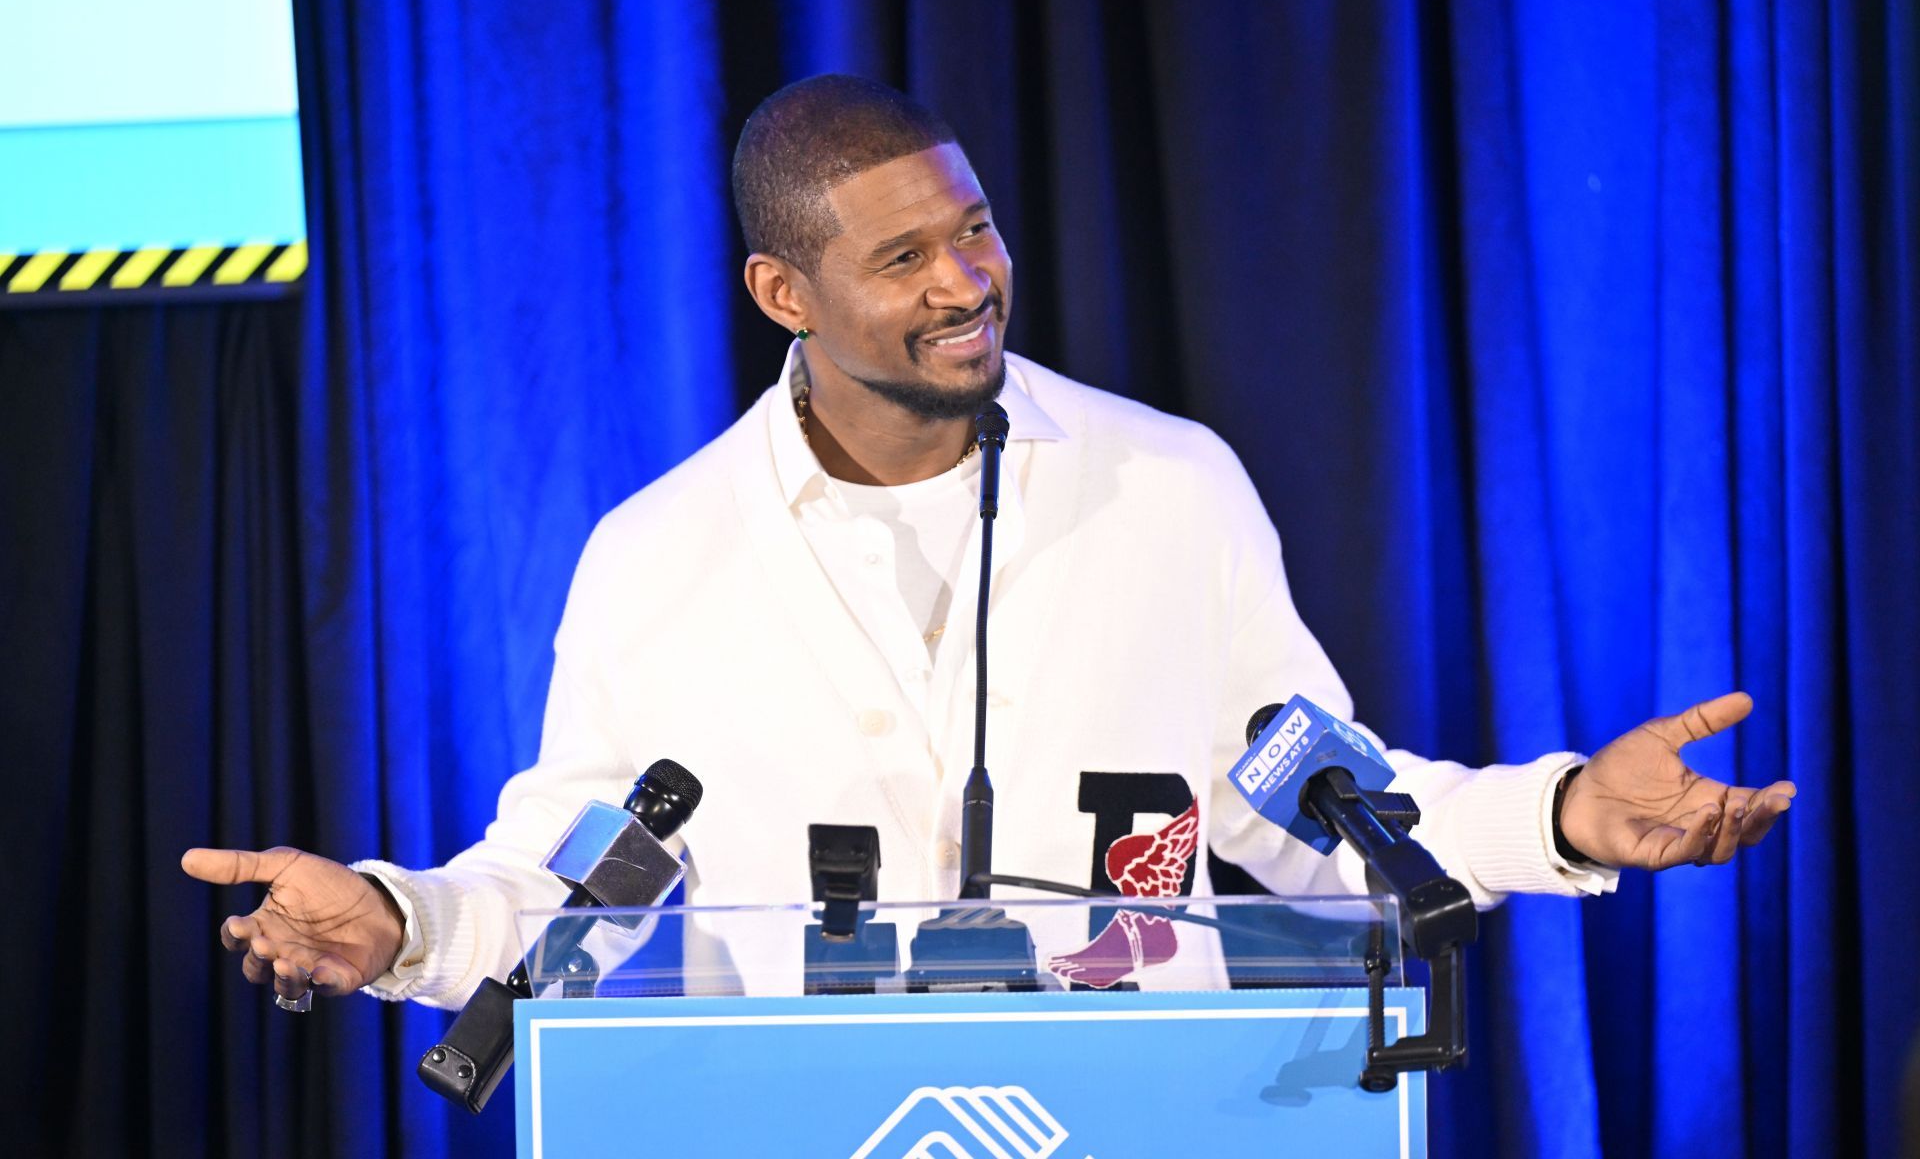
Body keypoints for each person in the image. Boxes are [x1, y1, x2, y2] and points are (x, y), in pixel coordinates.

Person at [183, 74, 1796, 1011]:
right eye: (904, 258)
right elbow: (574, 883)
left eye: (974, 228)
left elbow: (1321, 805)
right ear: (784, 295)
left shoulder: (1170, 483)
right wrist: (400, 922)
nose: (968, 281)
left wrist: (1569, 813)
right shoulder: (656, 553)